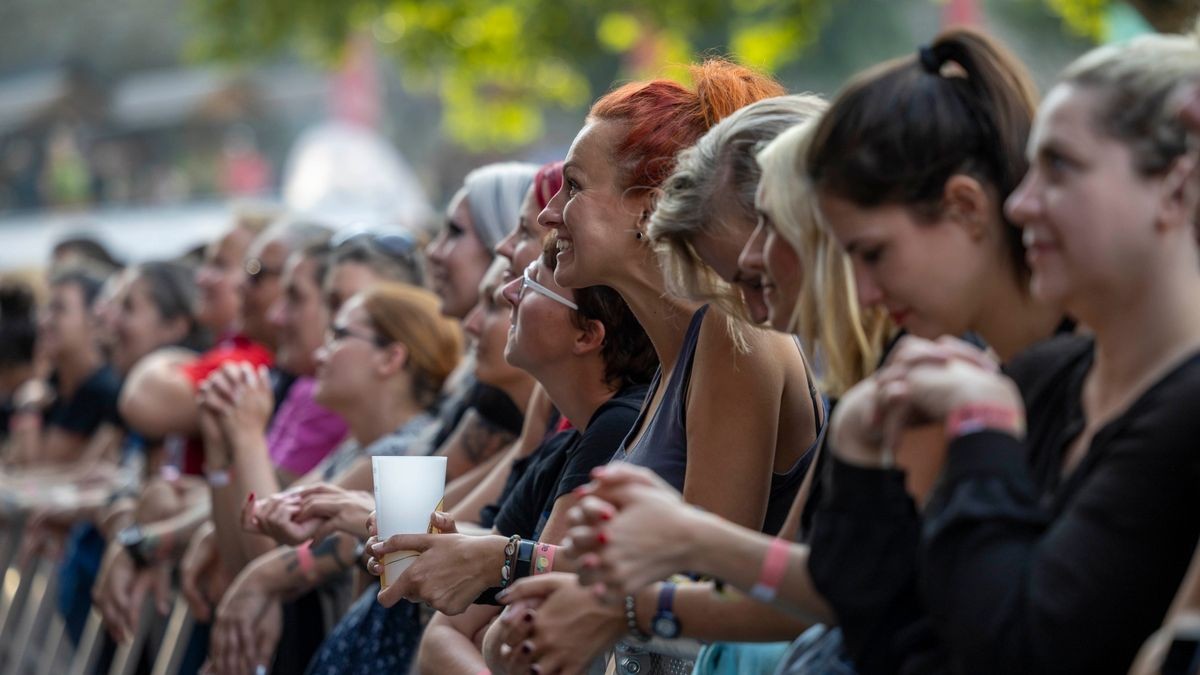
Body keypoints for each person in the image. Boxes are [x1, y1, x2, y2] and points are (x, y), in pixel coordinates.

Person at [810, 30, 1200, 674]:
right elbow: (909, 645)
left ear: (1176, 190)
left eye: (1060, 168)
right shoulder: (1042, 376)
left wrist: (984, 433)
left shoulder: (1185, 412)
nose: (1019, 205)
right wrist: (859, 467)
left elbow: (1022, 650)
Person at [203, 283, 462, 674]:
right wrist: (220, 454)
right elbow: (254, 532)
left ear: (390, 358)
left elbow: (267, 551)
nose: (319, 353)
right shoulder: (356, 445)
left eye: (338, 336)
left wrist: (247, 437)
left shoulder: (403, 452)